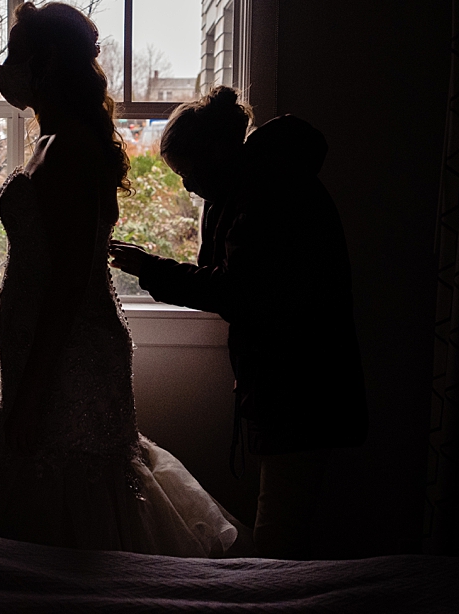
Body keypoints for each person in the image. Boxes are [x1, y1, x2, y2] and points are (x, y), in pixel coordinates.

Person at [0, 3, 247, 558]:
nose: (4, 68)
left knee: (73, 486)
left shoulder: (70, 149)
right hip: (55, 347)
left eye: (14, 54)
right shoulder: (56, 141)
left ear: (44, 63)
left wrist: (31, 394)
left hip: (69, 353)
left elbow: (70, 282)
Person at [108, 87, 367, 560]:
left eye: (189, 171)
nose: (187, 187)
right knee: (284, 520)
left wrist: (150, 268)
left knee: (279, 530)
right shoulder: (257, 188)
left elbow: (234, 290)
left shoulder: (267, 196)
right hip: (302, 381)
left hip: (301, 384)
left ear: (218, 152)